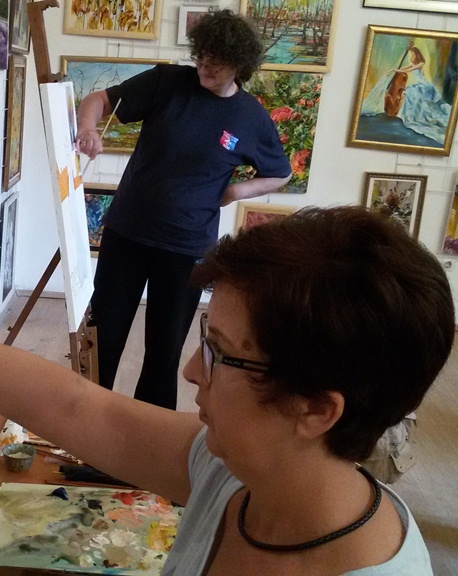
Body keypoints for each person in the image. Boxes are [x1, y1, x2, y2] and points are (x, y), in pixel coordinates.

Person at [0, 206, 454, 575]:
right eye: (205, 338)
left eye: (221, 353)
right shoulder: (239, 473)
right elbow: (80, 408)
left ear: (315, 409)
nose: (192, 371)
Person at [74, 10, 292, 410]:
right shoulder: (167, 82)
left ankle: (149, 433)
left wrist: (234, 191)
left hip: (186, 250)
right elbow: (97, 100)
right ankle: (83, 418)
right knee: (103, 334)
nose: (205, 67)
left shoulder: (251, 118)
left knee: (164, 351)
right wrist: (88, 128)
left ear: (239, 65)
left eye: (217, 62)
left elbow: (280, 173)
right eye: (201, 56)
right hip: (127, 234)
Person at [360, 45, 451, 145]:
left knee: (410, 94)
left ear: (417, 55)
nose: (412, 57)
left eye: (413, 55)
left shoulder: (421, 63)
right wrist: (394, 70)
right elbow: (406, 68)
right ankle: (405, 112)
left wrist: (397, 71)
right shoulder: (413, 63)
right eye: (412, 55)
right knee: (408, 93)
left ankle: (411, 115)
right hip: (418, 84)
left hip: (424, 85)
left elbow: (409, 70)